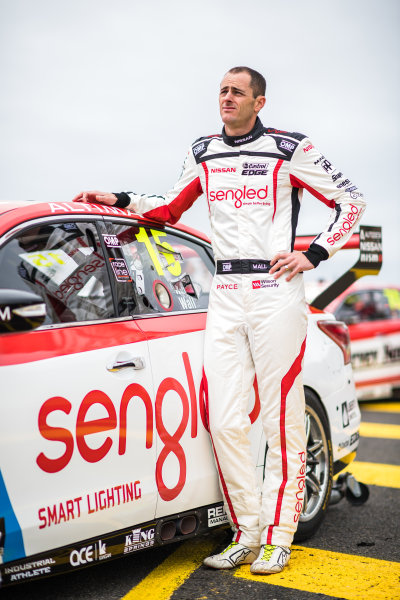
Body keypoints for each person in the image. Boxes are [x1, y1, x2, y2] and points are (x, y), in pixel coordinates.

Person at [73, 66, 365, 574]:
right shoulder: (203, 150)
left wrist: (314, 254)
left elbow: (350, 201)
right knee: (223, 419)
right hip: (225, 292)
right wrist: (117, 199)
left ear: (260, 102)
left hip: (276, 291)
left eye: (237, 92)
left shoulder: (291, 148)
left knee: (281, 419)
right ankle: (246, 532)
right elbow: (168, 207)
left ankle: (278, 536)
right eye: (222, 91)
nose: (227, 98)